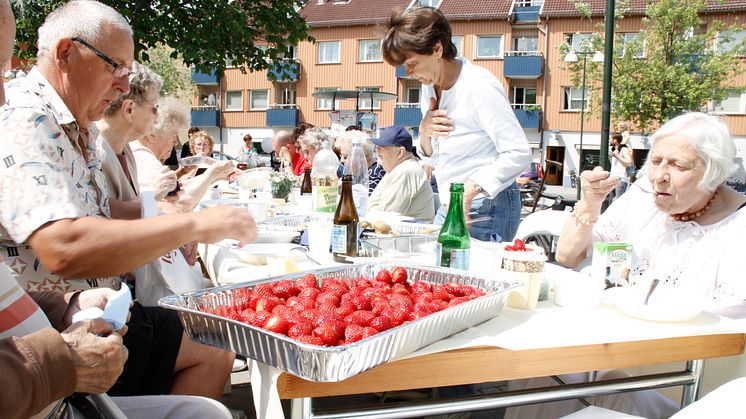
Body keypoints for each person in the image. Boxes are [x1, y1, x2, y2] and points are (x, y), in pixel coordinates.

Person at [0, 0, 255, 400]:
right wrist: (190, 225)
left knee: (213, 340)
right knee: (213, 344)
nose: (123, 84)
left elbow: (94, 211)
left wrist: (161, 215)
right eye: (114, 66)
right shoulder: (28, 118)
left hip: (85, 311)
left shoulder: (72, 121)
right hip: (51, 343)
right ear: (66, 52)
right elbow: (62, 246)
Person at [557, 112, 746, 300]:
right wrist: (589, 205)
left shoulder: (738, 226)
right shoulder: (642, 195)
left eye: (678, 165)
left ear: (713, 172)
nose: (658, 176)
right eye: (656, 161)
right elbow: (568, 257)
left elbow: (732, 320)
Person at [382, 6, 532, 242]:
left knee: (469, 276)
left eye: (411, 63)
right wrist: (424, 132)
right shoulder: (429, 86)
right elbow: (433, 159)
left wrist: (469, 191)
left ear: (437, 49)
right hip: (451, 200)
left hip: (487, 204)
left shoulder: (478, 86)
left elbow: (519, 153)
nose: (408, 72)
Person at [134, 97, 236, 212]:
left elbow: (169, 191)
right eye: (173, 135)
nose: (176, 142)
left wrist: (183, 172)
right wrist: (212, 175)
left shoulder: (140, 153)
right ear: (152, 134)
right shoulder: (145, 160)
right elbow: (179, 206)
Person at [369, 126, 434, 221]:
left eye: (382, 147)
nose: (377, 150)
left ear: (400, 152)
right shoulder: (399, 168)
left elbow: (385, 217)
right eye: (377, 147)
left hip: (408, 234)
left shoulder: (405, 171)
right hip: (398, 233)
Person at [335, 129, 386, 194]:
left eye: (345, 156)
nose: (342, 160)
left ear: (360, 155)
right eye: (340, 155)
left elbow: (365, 201)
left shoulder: (377, 172)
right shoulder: (358, 172)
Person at [608, 132, 633, 201]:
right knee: (611, 200)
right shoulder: (613, 150)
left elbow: (629, 163)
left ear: (615, 140)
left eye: (610, 138)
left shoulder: (624, 149)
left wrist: (617, 156)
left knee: (618, 200)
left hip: (620, 178)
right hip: (612, 177)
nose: (609, 140)